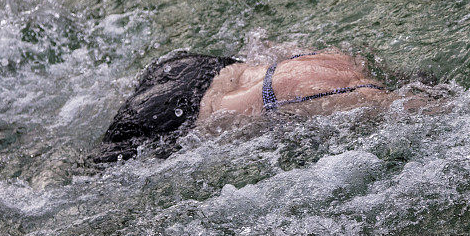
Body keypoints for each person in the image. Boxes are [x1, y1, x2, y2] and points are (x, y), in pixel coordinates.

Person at [92, 49, 451, 162]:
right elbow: (428, 112)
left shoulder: (344, 60)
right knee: (95, 173)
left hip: (198, 67)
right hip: (188, 116)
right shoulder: (361, 99)